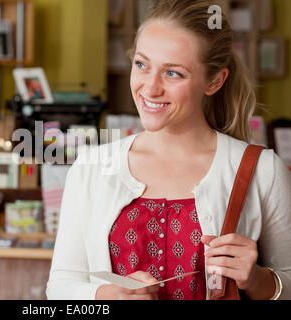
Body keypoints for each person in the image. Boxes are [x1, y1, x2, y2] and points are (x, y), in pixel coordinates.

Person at [46, 0, 291, 300]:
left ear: (214, 81)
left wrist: (258, 280)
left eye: (173, 73)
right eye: (141, 64)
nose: (150, 88)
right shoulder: (91, 167)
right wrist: (105, 297)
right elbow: (60, 287)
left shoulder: (262, 170)